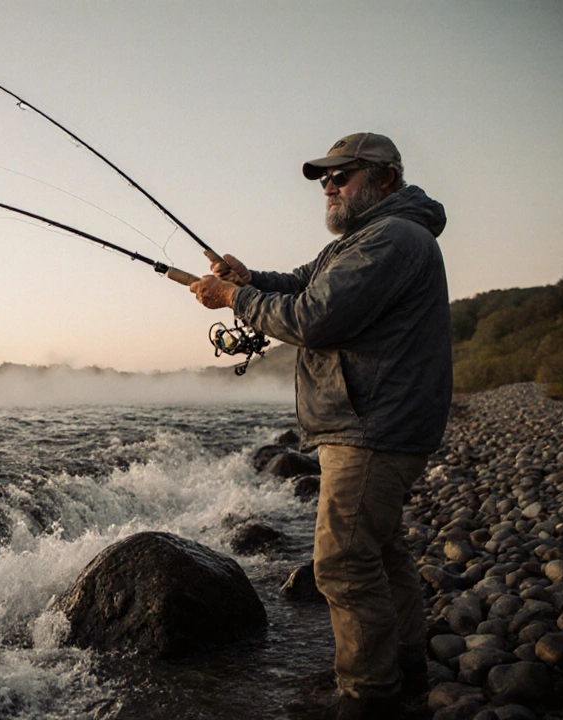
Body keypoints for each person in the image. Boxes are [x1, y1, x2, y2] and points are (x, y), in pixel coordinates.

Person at [191, 132, 452, 719]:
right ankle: (407, 667)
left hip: (372, 425)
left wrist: (234, 297)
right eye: (324, 178)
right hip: (376, 420)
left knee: (343, 563)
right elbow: (302, 283)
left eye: (343, 175)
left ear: (385, 179)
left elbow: (313, 317)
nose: (329, 186)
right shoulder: (369, 239)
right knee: (382, 550)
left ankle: (368, 696)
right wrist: (248, 275)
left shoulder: (389, 239)